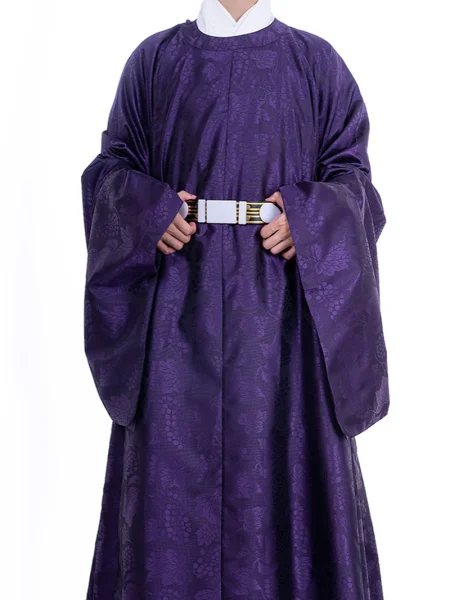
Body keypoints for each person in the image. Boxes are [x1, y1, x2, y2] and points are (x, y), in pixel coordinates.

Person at [81, 0, 390, 598]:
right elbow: (109, 174)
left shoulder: (316, 64)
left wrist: (309, 218)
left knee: (283, 473)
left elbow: (356, 185)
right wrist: (148, 212)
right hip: (175, 313)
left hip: (284, 319)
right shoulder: (154, 62)